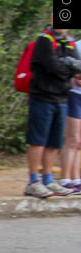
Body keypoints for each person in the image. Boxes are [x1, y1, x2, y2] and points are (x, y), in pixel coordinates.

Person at [27, 22, 81, 196]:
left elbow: (76, 68)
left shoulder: (70, 42)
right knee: (38, 141)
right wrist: (68, 66)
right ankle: (34, 181)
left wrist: (68, 66)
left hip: (62, 97)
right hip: (42, 97)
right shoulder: (44, 40)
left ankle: (48, 180)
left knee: (54, 142)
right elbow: (53, 66)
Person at [60, 72, 81, 190]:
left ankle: (76, 178)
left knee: (79, 142)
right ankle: (65, 179)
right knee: (72, 139)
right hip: (74, 95)